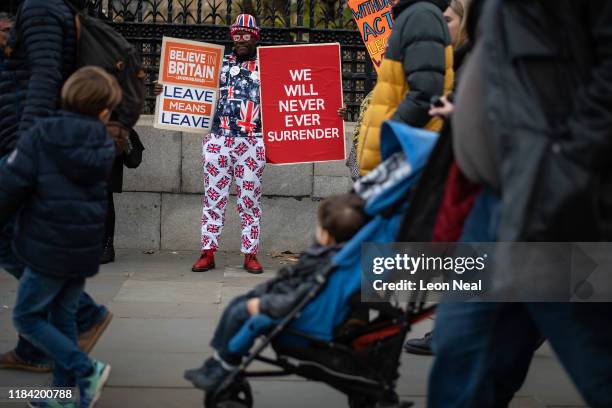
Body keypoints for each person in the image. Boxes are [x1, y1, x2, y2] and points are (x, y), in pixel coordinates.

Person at [428, 1, 612, 407]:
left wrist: (567, 169)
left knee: (597, 361)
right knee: (461, 353)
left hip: (558, 206)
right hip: (498, 201)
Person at [0, 0, 113, 373]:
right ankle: (57, 375)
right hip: (74, 251)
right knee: (61, 307)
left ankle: (80, 346)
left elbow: (45, 75)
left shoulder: (41, 7)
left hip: (22, 138)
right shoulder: (97, 143)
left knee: (11, 244)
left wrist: (26, 143)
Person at [183, 193, 367, 391]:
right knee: (239, 304)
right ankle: (218, 360)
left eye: (319, 226)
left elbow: (300, 296)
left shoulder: (328, 265)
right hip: (290, 306)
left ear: (326, 235)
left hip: (298, 322)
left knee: (242, 312)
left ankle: (225, 364)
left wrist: (264, 304)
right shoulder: (328, 257)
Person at [402, 0, 472, 356]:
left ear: (466, 22)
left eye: (450, 18)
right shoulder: (458, 63)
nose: (442, 23)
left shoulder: (471, 64)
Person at [356, 0, 454, 175]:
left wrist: (386, 139)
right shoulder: (415, 14)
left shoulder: (422, 16)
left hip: (402, 161)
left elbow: (424, 96)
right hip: (400, 159)